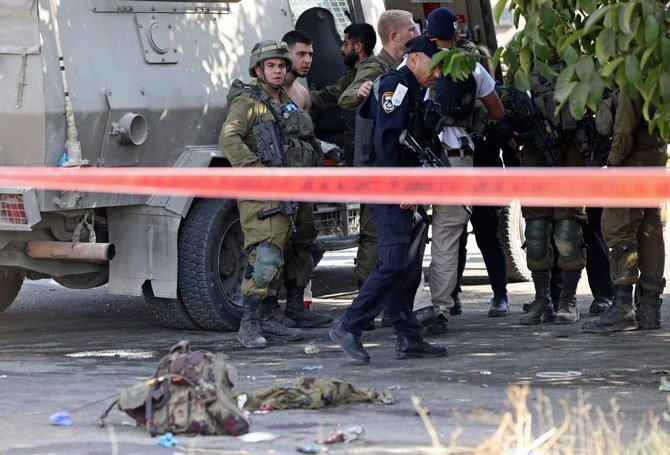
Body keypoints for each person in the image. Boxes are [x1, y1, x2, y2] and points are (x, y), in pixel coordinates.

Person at [329, 35, 447, 363]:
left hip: (407, 185)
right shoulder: (397, 87)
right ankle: (349, 325)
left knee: (408, 265)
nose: (437, 74)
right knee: (394, 260)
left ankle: (408, 337)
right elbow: (387, 144)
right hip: (389, 186)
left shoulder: (415, 90)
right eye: (434, 66)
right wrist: (404, 188)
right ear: (414, 60)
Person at [219, 41, 332, 349]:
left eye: (282, 65)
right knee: (266, 255)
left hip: (296, 188)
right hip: (265, 192)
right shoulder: (248, 102)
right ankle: (251, 323)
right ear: (258, 69)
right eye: (271, 66)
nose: (278, 70)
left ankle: (286, 311)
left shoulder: (287, 99)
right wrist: (258, 171)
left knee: (299, 246)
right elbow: (229, 139)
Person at [411, 7, 504, 331]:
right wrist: (470, 109)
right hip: (456, 156)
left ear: (429, 34)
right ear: (456, 33)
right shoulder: (472, 66)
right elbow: (497, 111)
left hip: (417, 155)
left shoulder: (416, 60)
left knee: (407, 232)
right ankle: (440, 309)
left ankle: (411, 305)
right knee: (448, 236)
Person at [338, 11, 419, 329]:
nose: (417, 32)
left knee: (400, 246)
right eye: (412, 28)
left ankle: (397, 317)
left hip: (395, 164)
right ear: (396, 35)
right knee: (376, 238)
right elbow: (346, 97)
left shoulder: (405, 67)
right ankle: (363, 309)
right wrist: (358, 92)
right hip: (378, 165)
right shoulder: (376, 67)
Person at [502, 65, 587, 326]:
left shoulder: (575, 56)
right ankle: (542, 300)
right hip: (534, 151)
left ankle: (568, 300)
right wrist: (507, 125)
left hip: (570, 148)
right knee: (536, 233)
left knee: (566, 231)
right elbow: (504, 104)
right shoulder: (521, 62)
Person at [583, 92, 668, 332]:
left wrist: (613, 162)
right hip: (655, 158)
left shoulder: (632, 79)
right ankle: (650, 310)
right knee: (649, 232)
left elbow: (623, 129)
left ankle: (622, 307)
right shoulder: (658, 73)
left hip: (632, 161)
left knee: (619, 229)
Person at [310, 23, 376, 165]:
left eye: (345, 44)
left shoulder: (374, 70)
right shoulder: (349, 78)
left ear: (358, 47)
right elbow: (325, 97)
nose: (342, 49)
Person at [282, 30, 314, 110]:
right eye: (301, 54)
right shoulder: (265, 91)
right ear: (286, 54)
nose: (307, 60)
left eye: (310, 54)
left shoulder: (303, 94)